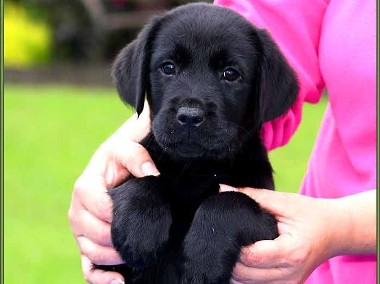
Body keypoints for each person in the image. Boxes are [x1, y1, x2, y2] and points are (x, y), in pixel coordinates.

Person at [68, 0, 376, 283]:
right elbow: (267, 17)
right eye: (169, 68)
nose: (191, 109)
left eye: (230, 74)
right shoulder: (141, 190)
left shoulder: (246, 197)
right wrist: (112, 173)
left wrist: (339, 228)